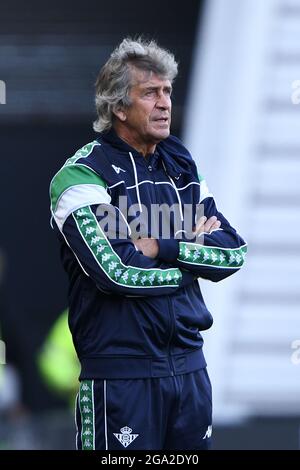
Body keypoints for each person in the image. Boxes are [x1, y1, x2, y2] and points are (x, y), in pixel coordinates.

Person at [49, 37, 247, 450]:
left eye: (168, 92)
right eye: (150, 93)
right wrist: (193, 254)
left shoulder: (180, 164)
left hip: (191, 372)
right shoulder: (83, 175)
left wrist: (162, 247)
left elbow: (232, 251)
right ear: (119, 107)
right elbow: (117, 272)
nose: (165, 103)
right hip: (121, 379)